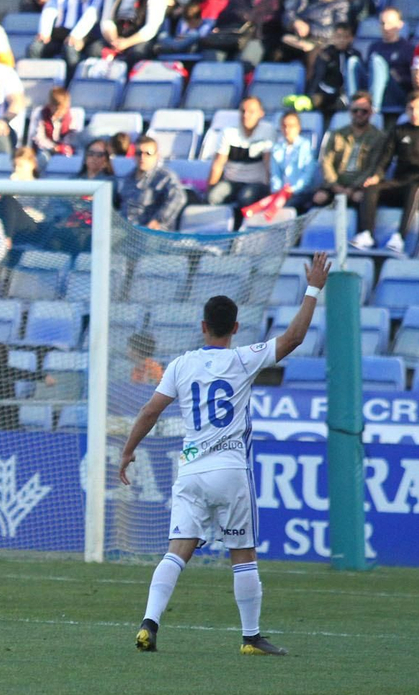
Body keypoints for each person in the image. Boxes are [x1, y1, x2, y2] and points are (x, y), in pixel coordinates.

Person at [119, 254, 331, 656]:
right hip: (230, 469)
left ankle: (149, 622)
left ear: (203, 326)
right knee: (243, 553)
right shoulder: (242, 358)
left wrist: (128, 452)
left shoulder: (181, 365)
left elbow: (150, 410)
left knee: (176, 550)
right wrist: (312, 288)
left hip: (191, 470)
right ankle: (250, 637)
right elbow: (294, 338)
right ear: (235, 328)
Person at [353, 92, 419, 251]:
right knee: (371, 188)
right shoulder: (398, 131)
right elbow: (385, 159)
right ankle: (366, 234)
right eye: (411, 108)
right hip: (399, 182)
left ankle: (400, 238)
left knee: (414, 189)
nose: (415, 112)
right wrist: (376, 176)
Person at [312, 91, 389, 210]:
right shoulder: (337, 134)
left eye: (364, 111)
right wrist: (335, 185)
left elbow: (372, 167)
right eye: (355, 110)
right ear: (350, 112)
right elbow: (326, 162)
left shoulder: (379, 137)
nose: (359, 114)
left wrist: (352, 188)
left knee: (360, 198)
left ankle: (361, 229)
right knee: (319, 197)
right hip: (336, 183)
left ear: (371, 113)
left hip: (359, 185)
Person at [207, 97, 275, 212]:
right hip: (231, 181)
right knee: (213, 197)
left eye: (251, 112)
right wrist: (210, 188)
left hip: (256, 183)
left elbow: (268, 164)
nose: (246, 115)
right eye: (243, 111)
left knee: (245, 198)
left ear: (261, 114)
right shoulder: (228, 132)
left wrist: (271, 190)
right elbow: (218, 164)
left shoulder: (268, 130)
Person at [115, 136, 187, 231]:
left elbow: (179, 198)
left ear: (157, 156)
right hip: (125, 230)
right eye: (138, 153)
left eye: (148, 153)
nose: (142, 157)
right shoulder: (128, 178)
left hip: (151, 234)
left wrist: (158, 220)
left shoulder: (164, 177)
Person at [367, 6, 415, 114]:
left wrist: (399, 77)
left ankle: (373, 110)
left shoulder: (408, 49)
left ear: (400, 24)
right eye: (382, 23)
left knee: (377, 61)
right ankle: (354, 105)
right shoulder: (373, 47)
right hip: (373, 88)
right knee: (353, 63)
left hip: (397, 92)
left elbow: (414, 80)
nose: (386, 27)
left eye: (390, 23)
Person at [268, 109, 319, 207]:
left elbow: (307, 175)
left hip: (301, 192)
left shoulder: (306, 146)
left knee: (287, 206)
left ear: (298, 127)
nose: (287, 129)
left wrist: (293, 189)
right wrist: (277, 191)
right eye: (284, 126)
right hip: (281, 193)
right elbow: (275, 174)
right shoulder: (276, 147)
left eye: (291, 126)